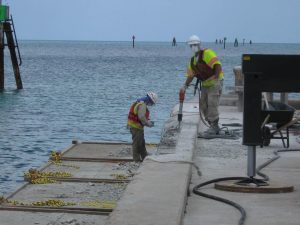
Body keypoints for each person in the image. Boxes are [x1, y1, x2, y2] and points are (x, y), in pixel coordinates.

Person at [180, 35, 224, 135]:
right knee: (203, 105)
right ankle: (212, 124)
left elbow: (217, 66)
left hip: (215, 82)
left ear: (199, 44)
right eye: (191, 45)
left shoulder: (207, 53)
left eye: (195, 44)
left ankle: (214, 126)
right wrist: (185, 86)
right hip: (205, 84)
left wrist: (216, 78)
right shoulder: (192, 61)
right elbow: (191, 75)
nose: (193, 47)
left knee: (212, 103)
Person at [127, 92, 158, 162]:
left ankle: (144, 157)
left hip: (135, 126)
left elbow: (140, 116)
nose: (151, 105)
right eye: (152, 103)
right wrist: (148, 123)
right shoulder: (142, 105)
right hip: (136, 127)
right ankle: (136, 160)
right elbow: (141, 117)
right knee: (137, 144)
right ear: (150, 100)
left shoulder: (139, 102)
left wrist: (147, 121)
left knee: (141, 143)